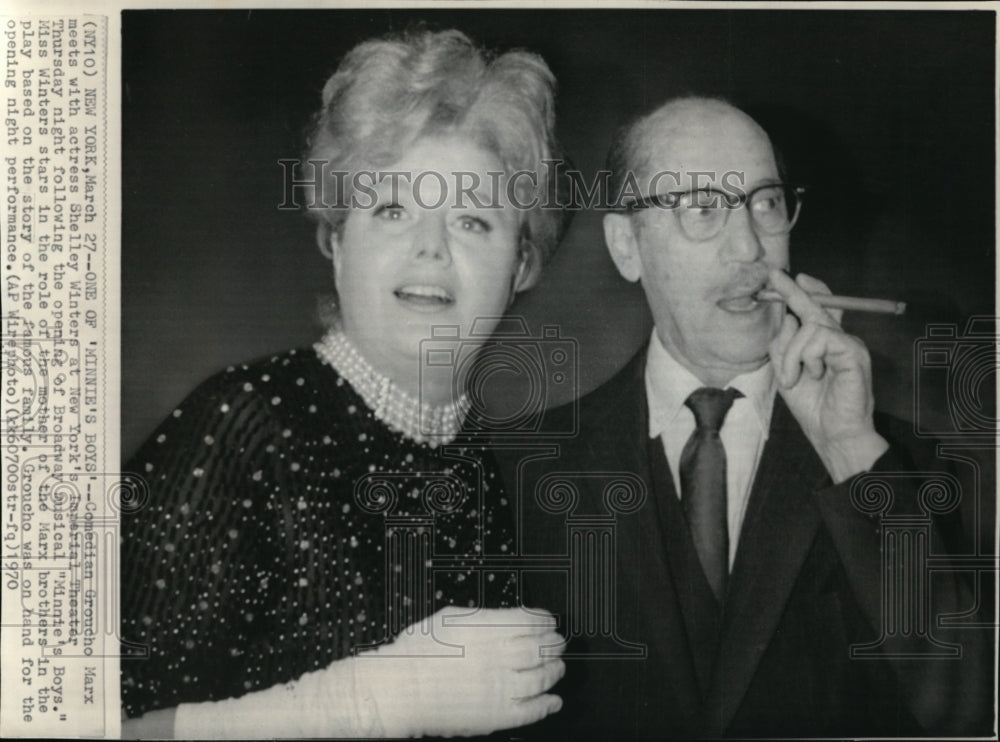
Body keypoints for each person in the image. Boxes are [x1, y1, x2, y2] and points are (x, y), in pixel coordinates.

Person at [120, 29, 569, 739]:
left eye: (473, 220)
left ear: (520, 268)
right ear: (336, 239)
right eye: (392, 209)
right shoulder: (243, 424)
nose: (430, 246)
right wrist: (359, 706)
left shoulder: (500, 474)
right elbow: (68, 723)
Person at [514, 96, 992, 738]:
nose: (750, 247)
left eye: (765, 203)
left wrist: (848, 451)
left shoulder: (906, 468)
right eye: (703, 210)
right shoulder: (519, 469)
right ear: (627, 246)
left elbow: (969, 714)